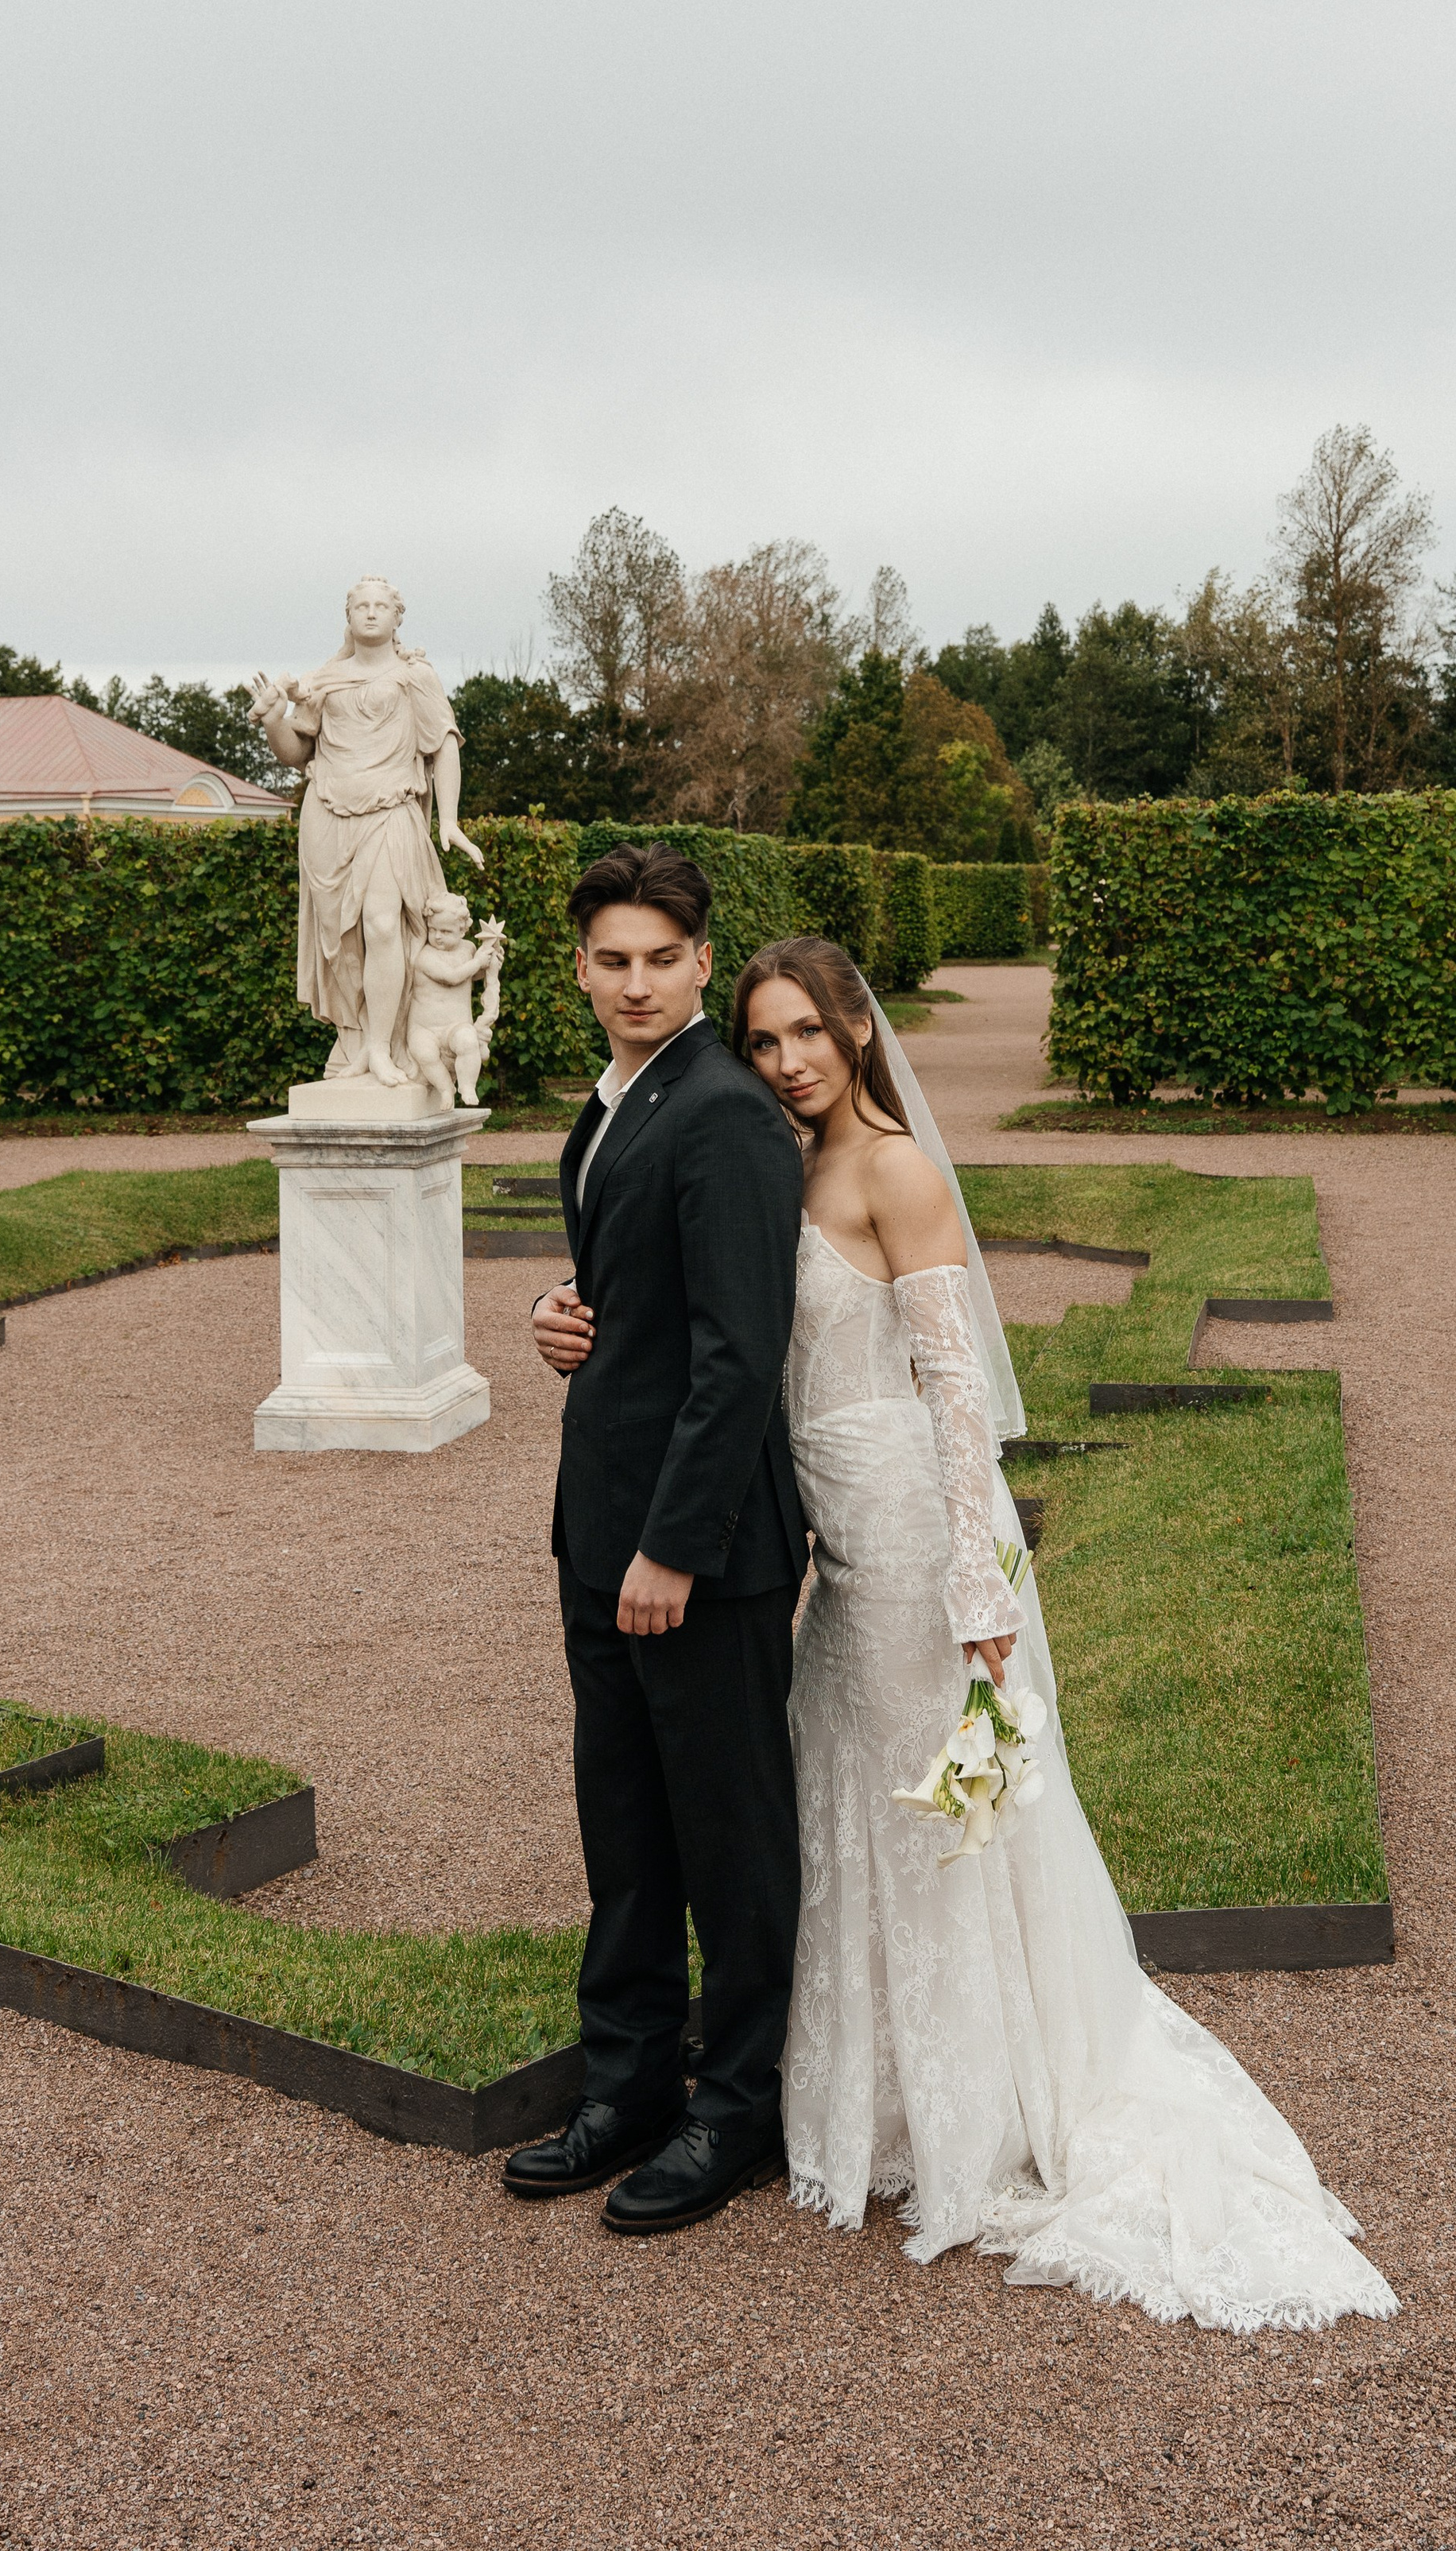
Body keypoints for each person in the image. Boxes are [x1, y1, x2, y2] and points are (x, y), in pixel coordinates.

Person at [735, 933, 1398, 2330]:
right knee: (854, 1793)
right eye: (763, 1041)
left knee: (941, 1818)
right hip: (832, 1543)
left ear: (856, 1030)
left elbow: (956, 1390)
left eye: (804, 1031)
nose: (787, 1060)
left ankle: (974, 2113)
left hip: (917, 1536)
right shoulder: (779, 1166)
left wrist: (984, 1595)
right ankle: (877, 2094)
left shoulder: (896, 1172)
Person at [503, 843, 809, 2236]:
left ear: (701, 961)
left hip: (699, 1554)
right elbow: (650, 1296)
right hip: (597, 1530)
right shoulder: (620, 1100)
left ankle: (736, 2106)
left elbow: (742, 1354)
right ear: (582, 968)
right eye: (611, 960)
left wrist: (674, 1548)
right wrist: (568, 1321)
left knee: (730, 1839)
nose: (635, 982)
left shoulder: (729, 1113)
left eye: (661, 959)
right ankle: (626, 2082)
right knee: (624, 1829)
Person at [249, 575, 482, 1089]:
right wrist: (273, 718)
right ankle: (355, 1043)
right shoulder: (325, 680)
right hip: (327, 816)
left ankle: (381, 1049)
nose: (371, 613)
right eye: (362, 606)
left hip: (391, 809)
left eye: (382, 606)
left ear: (398, 617)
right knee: (341, 943)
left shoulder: (415, 676)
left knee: (381, 925)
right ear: (348, 616)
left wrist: (451, 820)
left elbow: (444, 744)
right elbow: (296, 753)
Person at [404, 894, 504, 1111]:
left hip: (456, 1025)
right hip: (425, 1028)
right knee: (425, 1053)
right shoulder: (426, 957)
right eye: (433, 930)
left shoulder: (468, 949)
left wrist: (490, 961)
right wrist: (478, 961)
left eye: (446, 931)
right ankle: (445, 1088)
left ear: (462, 931)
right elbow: (451, 977)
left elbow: (472, 975)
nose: (438, 936)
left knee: (468, 1042)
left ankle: (467, 1087)